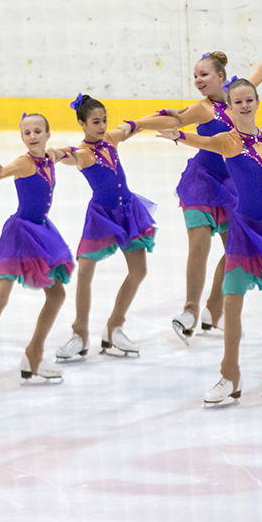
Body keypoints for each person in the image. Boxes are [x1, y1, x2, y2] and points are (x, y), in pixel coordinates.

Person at [157, 79, 262, 403]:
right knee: (232, 301)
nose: (244, 106)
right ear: (229, 108)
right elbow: (198, 140)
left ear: (257, 102)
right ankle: (229, 375)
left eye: (249, 100)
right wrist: (178, 135)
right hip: (246, 229)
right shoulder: (227, 140)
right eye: (238, 102)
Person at [127, 45, 262, 342]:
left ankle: (214, 310)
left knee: (235, 250)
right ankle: (190, 310)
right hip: (201, 183)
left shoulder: (238, 97)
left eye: (203, 74)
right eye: (195, 76)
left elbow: (258, 76)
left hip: (231, 185)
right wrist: (137, 125)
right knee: (199, 245)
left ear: (220, 76)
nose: (198, 80)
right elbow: (174, 122)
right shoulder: (203, 108)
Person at [0, 113, 74, 383]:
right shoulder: (24, 162)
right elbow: (0, 172)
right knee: (1, 295)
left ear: (48, 134)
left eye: (37, 131)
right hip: (20, 234)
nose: (32, 137)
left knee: (57, 296)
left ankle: (34, 354)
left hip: (42, 233)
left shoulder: (51, 157)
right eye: (27, 133)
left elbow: (69, 153)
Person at [50, 94, 156, 360]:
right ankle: (80, 333)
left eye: (104, 120)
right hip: (101, 217)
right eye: (95, 122)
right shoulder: (84, 154)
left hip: (129, 211)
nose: (101, 126)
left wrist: (169, 116)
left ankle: (114, 326)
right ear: (82, 124)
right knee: (85, 270)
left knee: (139, 270)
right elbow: (68, 155)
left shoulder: (110, 139)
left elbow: (134, 126)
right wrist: (52, 153)